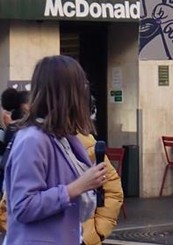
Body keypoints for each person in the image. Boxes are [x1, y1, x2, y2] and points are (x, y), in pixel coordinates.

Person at [4, 55, 108, 244]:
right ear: (67, 93)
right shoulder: (32, 140)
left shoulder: (66, 139)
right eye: (80, 87)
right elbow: (23, 206)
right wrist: (77, 187)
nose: (86, 95)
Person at [77, 132, 124, 245]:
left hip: (85, 237)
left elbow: (112, 188)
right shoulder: (32, 140)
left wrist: (98, 231)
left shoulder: (84, 141)